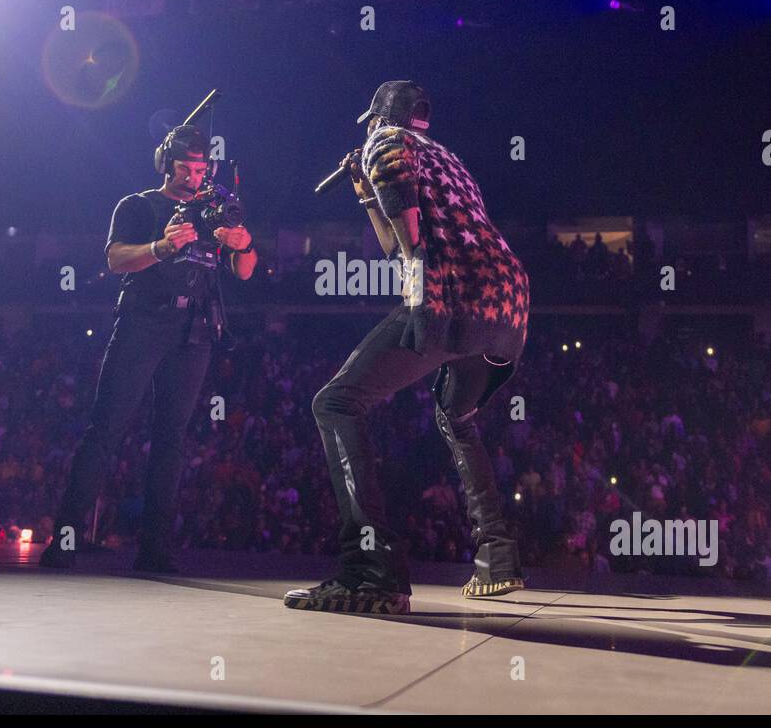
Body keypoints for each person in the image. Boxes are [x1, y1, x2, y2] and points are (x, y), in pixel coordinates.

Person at [284, 81, 530, 615]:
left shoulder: (385, 144)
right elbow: (404, 230)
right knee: (457, 417)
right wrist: (366, 193)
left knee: (336, 403)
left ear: (376, 119)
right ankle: (498, 555)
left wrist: (422, 303)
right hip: (508, 306)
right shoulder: (448, 158)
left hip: (455, 295)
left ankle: (371, 570)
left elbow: (407, 246)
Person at [40, 123, 256, 572]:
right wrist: (161, 246)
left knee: (171, 439)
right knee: (107, 428)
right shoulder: (139, 205)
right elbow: (116, 260)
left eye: (199, 169)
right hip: (143, 320)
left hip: (193, 327)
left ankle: (155, 549)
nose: (192, 177)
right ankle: (65, 538)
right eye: (184, 168)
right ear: (165, 165)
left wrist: (243, 242)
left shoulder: (214, 208)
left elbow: (246, 271)